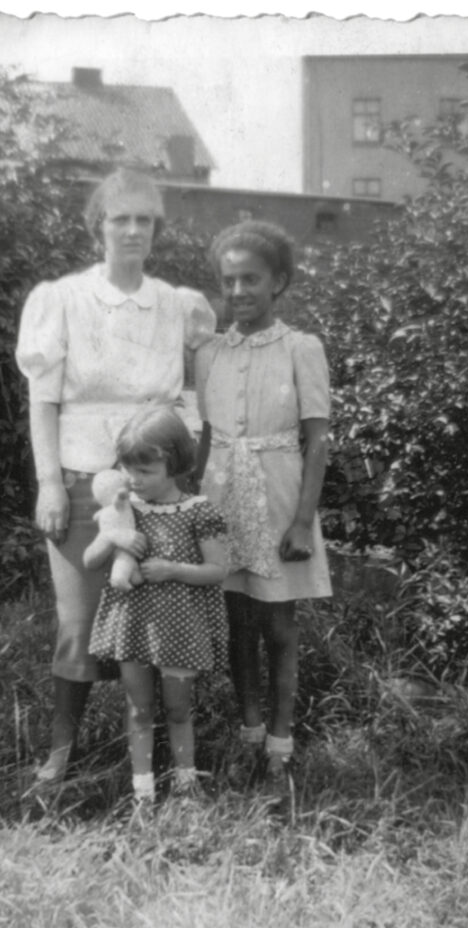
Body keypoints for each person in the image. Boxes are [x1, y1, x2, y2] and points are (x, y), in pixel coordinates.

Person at [15, 169, 216, 784]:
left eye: (144, 219)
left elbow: (191, 406)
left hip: (159, 488)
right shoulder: (64, 298)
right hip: (80, 481)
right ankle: (61, 753)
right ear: (97, 225)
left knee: (158, 619)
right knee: (78, 622)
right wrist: (50, 482)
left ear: (156, 229)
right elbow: (44, 399)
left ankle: (157, 765)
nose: (132, 230)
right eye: (119, 218)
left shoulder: (178, 306)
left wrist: (186, 483)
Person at [194, 220, 332, 794]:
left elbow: (318, 439)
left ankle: (281, 746)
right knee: (236, 622)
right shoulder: (209, 354)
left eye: (251, 279)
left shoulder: (302, 347)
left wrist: (302, 520)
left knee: (277, 623)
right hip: (222, 494)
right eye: (229, 281)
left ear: (279, 281)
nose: (239, 291)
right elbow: (203, 437)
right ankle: (248, 735)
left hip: (278, 497)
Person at [86, 406, 229, 809]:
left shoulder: (198, 511)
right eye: (128, 469)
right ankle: (142, 792)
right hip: (133, 626)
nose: (134, 480)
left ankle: (186, 786)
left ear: (173, 463)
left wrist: (173, 569)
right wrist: (114, 536)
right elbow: (91, 561)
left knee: (178, 709)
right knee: (139, 708)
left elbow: (218, 570)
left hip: (180, 630)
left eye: (144, 472)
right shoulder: (124, 508)